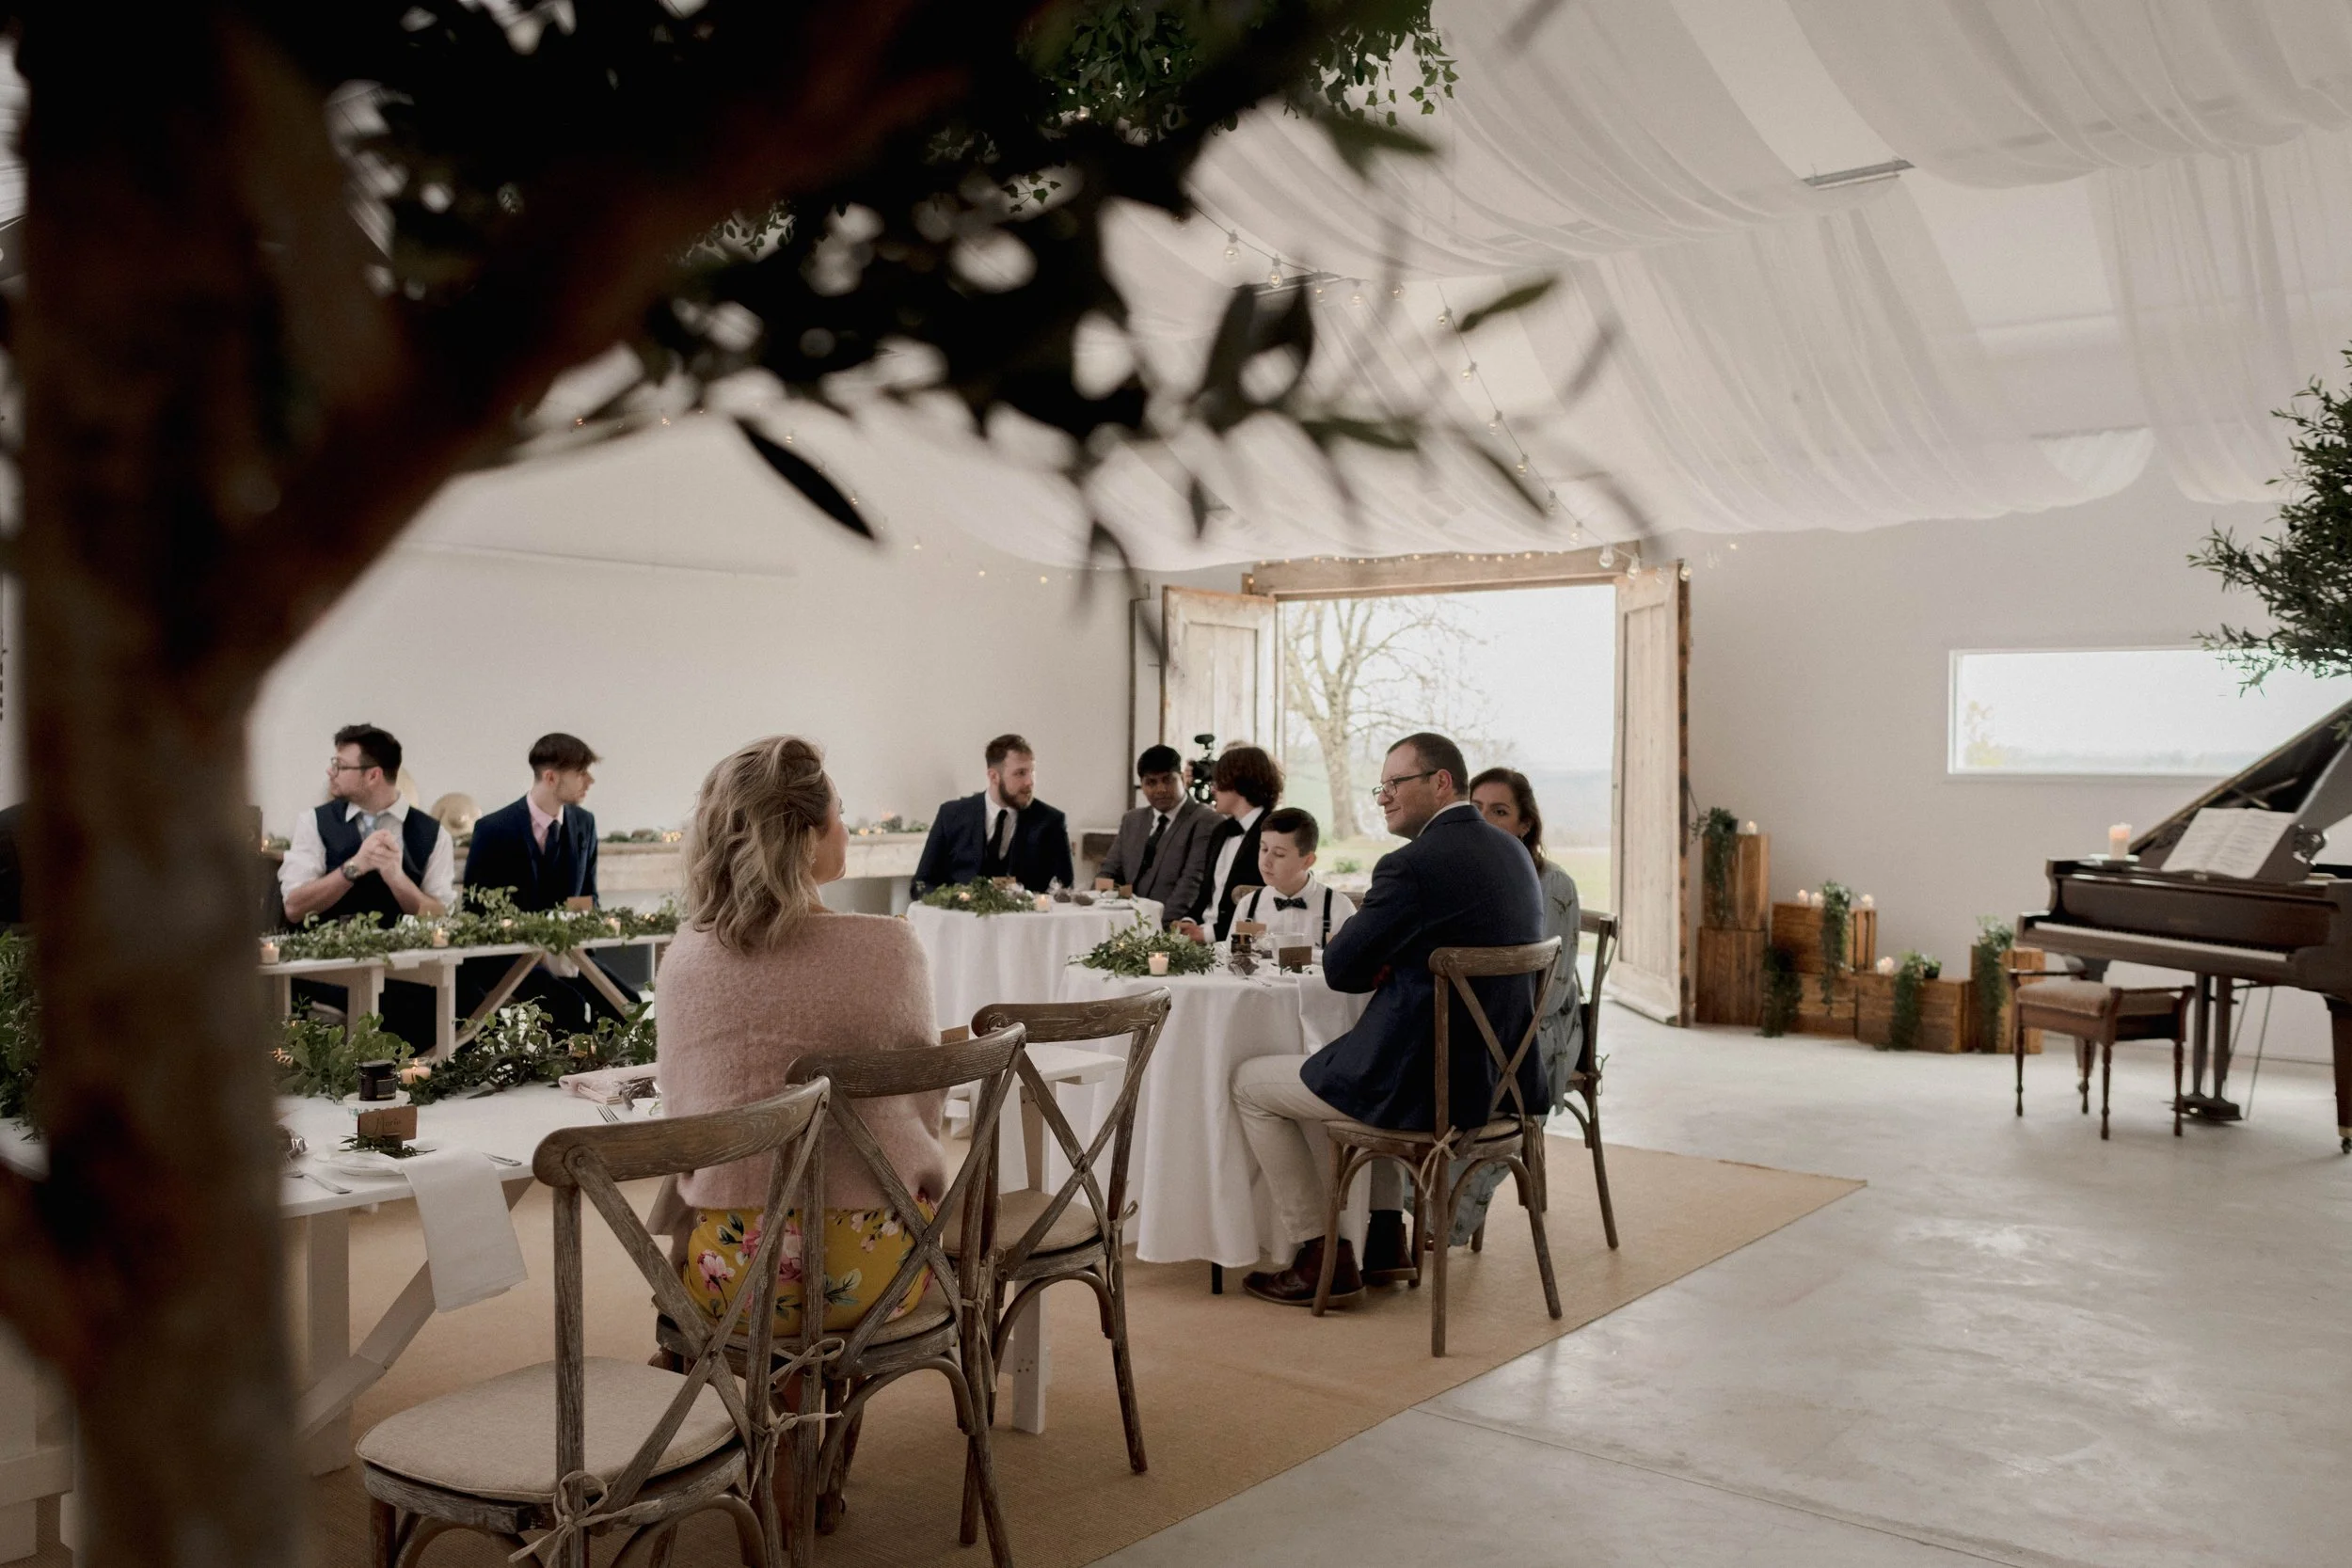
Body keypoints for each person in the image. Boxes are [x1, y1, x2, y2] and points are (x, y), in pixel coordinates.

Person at [1231, 732, 1546, 1307]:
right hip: (1501, 1087)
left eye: (1394, 784)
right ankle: (1384, 1239)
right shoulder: (1513, 855)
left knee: (1250, 1083)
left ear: (1441, 782)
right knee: (1366, 1063)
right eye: (1381, 787)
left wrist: (1381, 957)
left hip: (1425, 1090)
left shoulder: (1412, 864)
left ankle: (1319, 1252)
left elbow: (1342, 968)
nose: (1383, 798)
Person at [659, 735, 946, 1339]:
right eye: (839, 814)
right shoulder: (892, 949)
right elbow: (924, 1109)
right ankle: (823, 1394)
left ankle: (788, 1395)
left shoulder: (684, 958)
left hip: (729, 1272)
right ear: (807, 835)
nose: (847, 830)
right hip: (874, 1264)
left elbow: (681, 1116)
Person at [1448, 768, 1582, 1245]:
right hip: (1478, 1023)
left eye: (1500, 811)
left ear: (1525, 825)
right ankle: (1396, 1211)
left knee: (1485, 1081)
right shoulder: (1460, 877)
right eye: (1476, 809)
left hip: (1538, 1029)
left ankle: (1445, 1217)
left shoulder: (1554, 885)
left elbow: (1552, 993)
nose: (1484, 820)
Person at [277, 723, 455, 1050]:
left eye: (340, 765)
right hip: (325, 972)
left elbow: (441, 917)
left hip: (404, 978)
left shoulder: (434, 834)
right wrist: (352, 868)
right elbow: (294, 907)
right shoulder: (313, 823)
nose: (331, 772)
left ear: (373, 775)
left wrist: (397, 879)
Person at [458, 733, 636, 1032]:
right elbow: (476, 910)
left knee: (627, 1004)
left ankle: (594, 1059)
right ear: (551, 777)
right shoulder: (493, 829)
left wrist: (579, 946)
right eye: (581, 772)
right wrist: (536, 951)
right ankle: (571, 1060)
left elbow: (588, 896)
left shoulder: (584, 823)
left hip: (567, 953)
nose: (589, 781)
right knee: (567, 1004)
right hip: (508, 956)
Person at [912, 734, 1075, 895]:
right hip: (960, 911)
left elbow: (1064, 890)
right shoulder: (951, 815)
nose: (1030, 782)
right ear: (994, 776)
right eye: (1020, 773)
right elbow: (920, 885)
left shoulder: (1051, 822)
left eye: (1032, 772)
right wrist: (954, 901)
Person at [1173, 744, 1282, 942]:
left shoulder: (1275, 833)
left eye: (1219, 782)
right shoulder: (1221, 830)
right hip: (1203, 939)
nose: (1213, 789)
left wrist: (1207, 934)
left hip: (1242, 945)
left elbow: (1269, 908)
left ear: (1239, 784)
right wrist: (1190, 920)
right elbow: (1206, 893)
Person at [1093, 743, 1216, 915]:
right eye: (1151, 782)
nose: (1161, 789)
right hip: (1124, 920)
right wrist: (1097, 907)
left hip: (1171, 924)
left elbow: (1191, 884)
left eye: (1167, 780)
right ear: (1142, 786)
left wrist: (1160, 925)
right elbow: (1109, 871)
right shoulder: (1132, 820)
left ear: (1182, 779)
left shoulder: (1205, 820)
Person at [1228, 807, 1355, 948]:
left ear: (1307, 861)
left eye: (1279, 854)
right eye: (1264, 849)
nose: (1266, 861)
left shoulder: (1337, 909)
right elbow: (1232, 957)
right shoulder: (1248, 906)